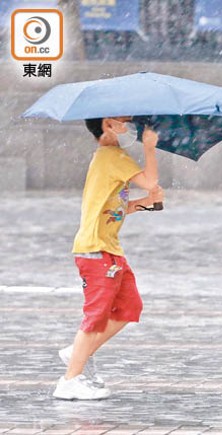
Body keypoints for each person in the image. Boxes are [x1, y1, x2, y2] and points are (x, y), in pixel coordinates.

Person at [53, 117, 163, 400]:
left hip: (109, 249)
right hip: (96, 250)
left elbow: (112, 207)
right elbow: (149, 180)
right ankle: (69, 380)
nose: (132, 127)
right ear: (108, 125)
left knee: (129, 307)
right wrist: (150, 148)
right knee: (98, 316)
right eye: (125, 121)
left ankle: (77, 352)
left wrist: (144, 203)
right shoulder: (112, 156)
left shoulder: (110, 158)